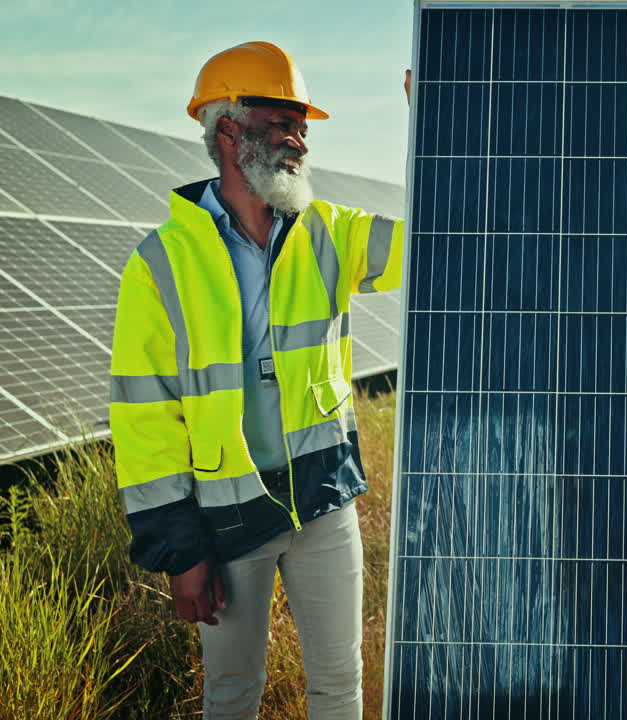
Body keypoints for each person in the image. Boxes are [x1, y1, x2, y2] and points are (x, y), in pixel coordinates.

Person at [108, 41, 406, 719]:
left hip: (324, 502)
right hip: (228, 515)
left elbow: (441, 244)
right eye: (283, 122)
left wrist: (448, 129)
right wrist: (179, 548)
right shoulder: (160, 263)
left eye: (303, 125)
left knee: (339, 685)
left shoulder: (328, 234)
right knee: (232, 695)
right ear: (229, 130)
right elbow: (144, 416)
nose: (299, 138)